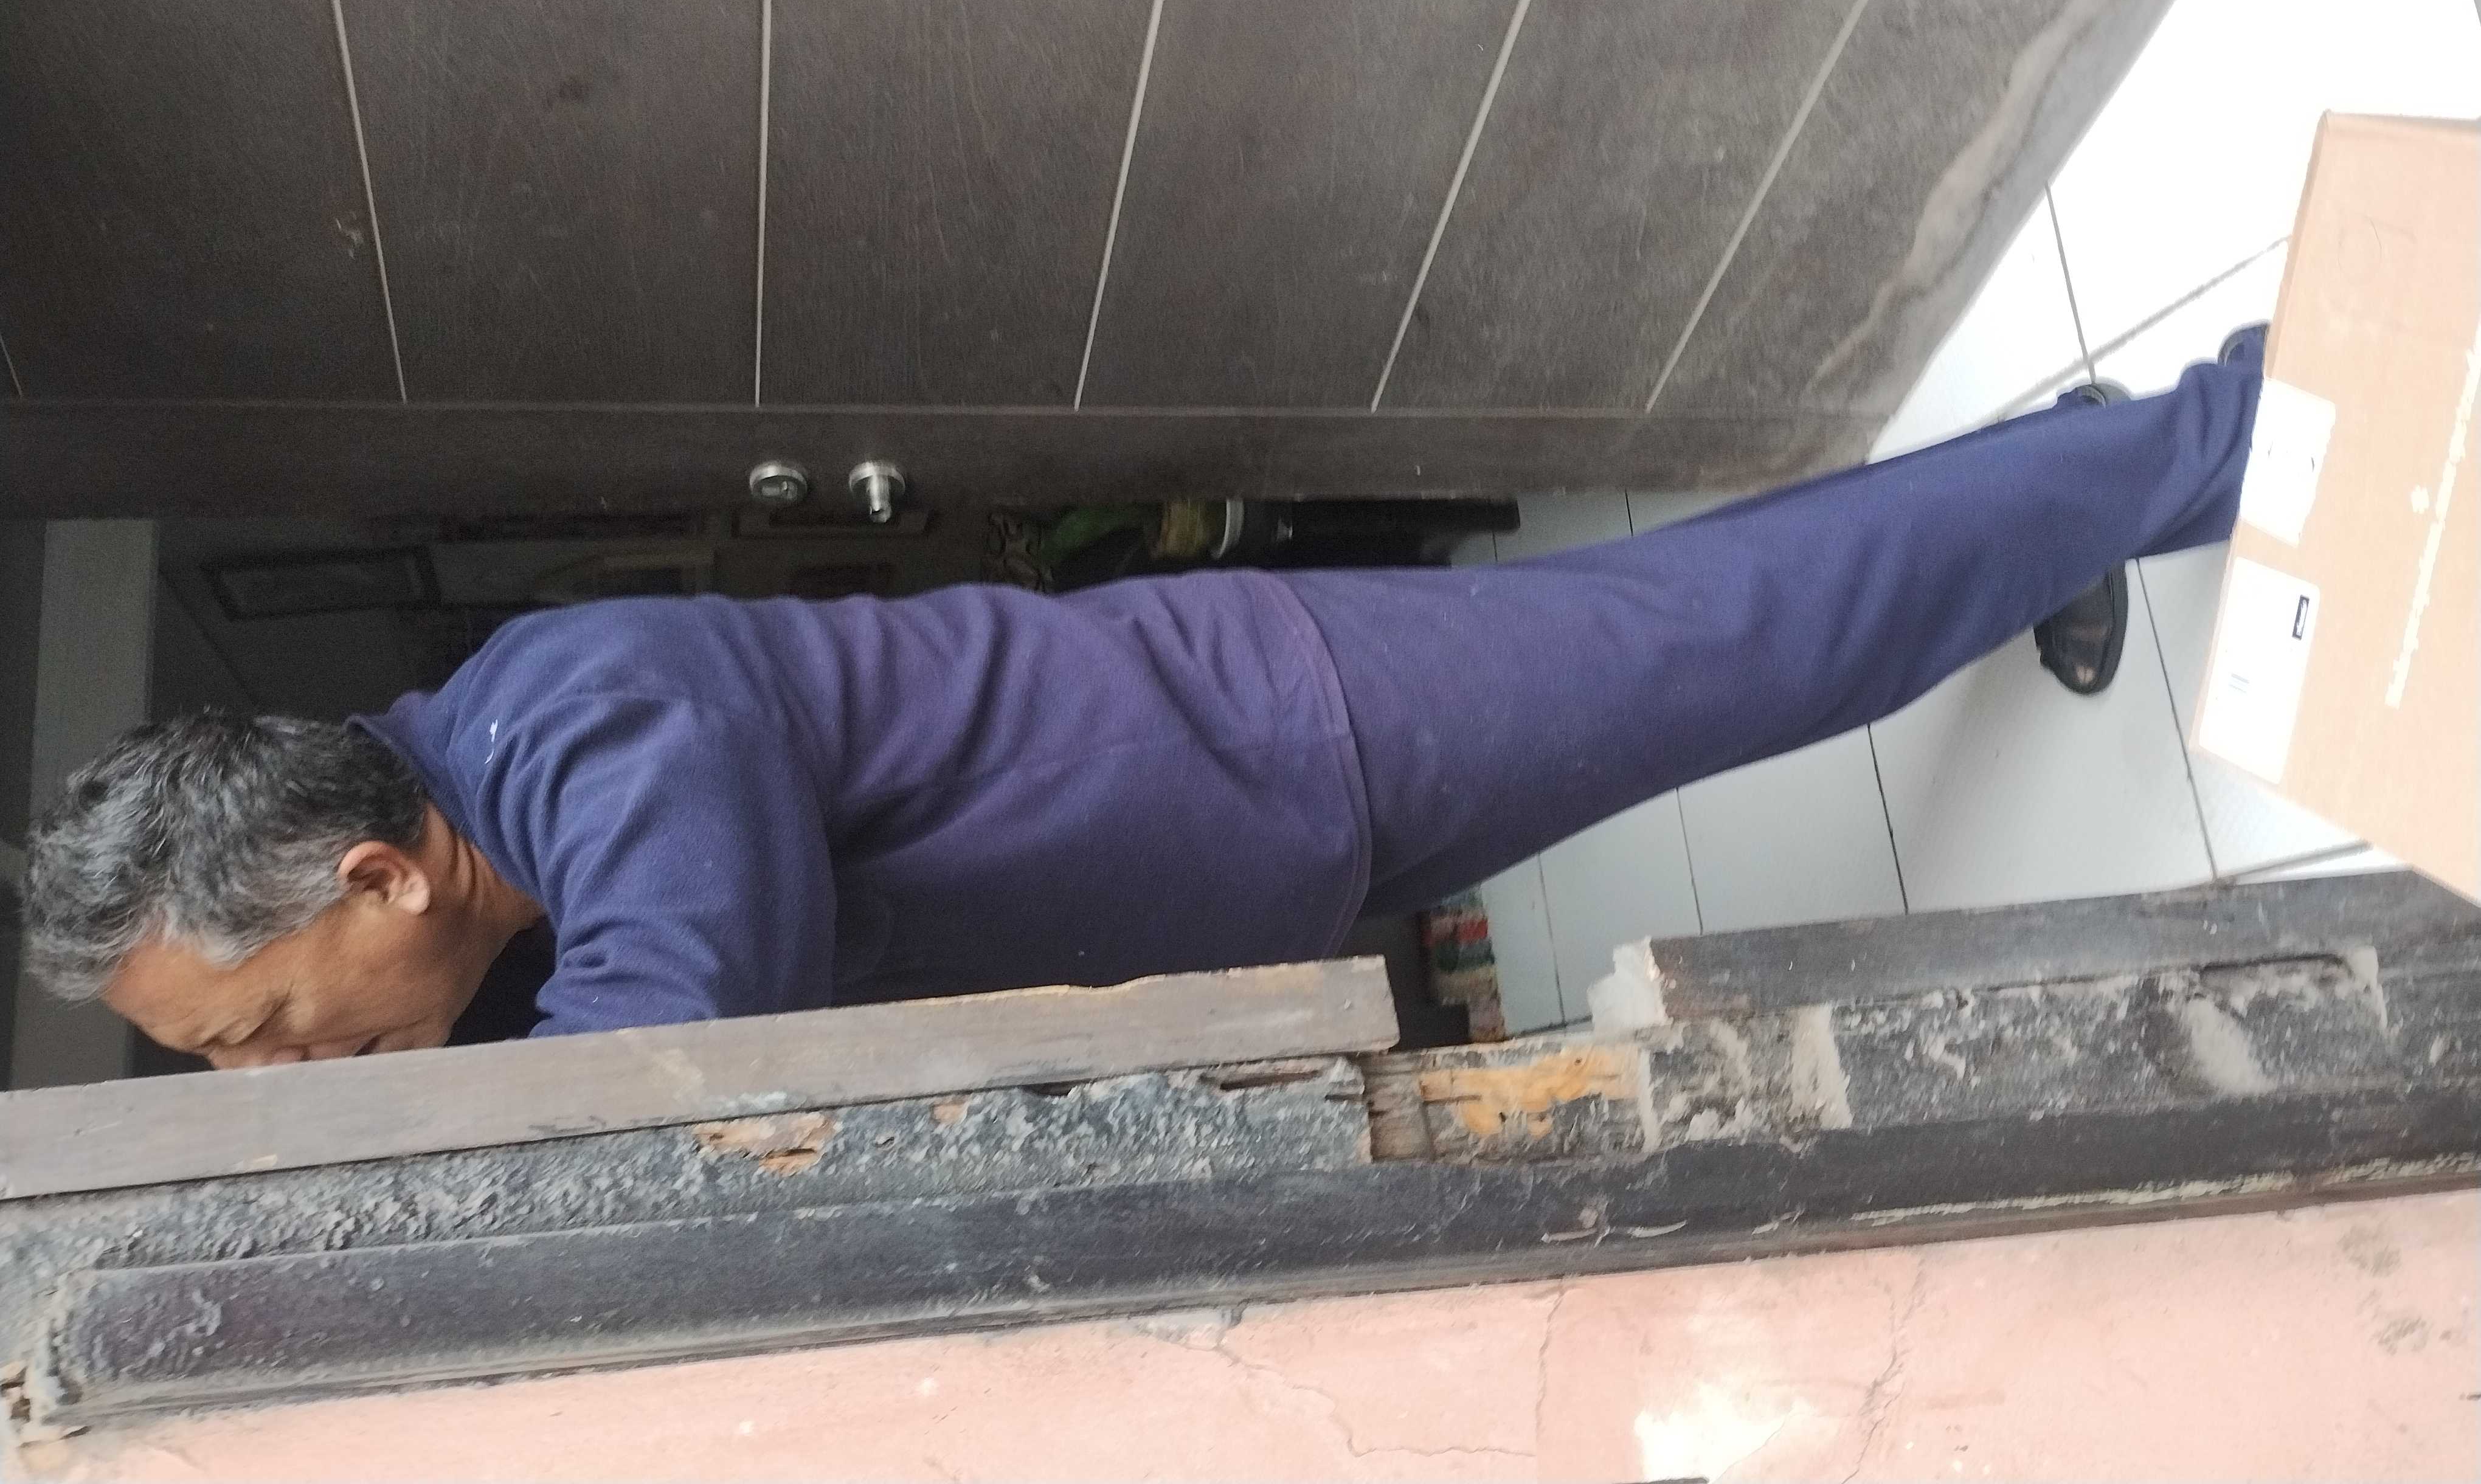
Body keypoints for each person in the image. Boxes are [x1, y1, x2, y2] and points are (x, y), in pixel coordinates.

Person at [24, 333, 2267, 1069]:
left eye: (261, 1029)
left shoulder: (581, 720)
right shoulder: (511, 908)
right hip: (1264, 837)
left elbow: (663, 1074)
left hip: (1294, 724)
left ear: (376, 875)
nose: (275, 1084)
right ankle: (2050, 500)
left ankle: (2229, 426)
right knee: (1744, 652)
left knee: (1746, 642)